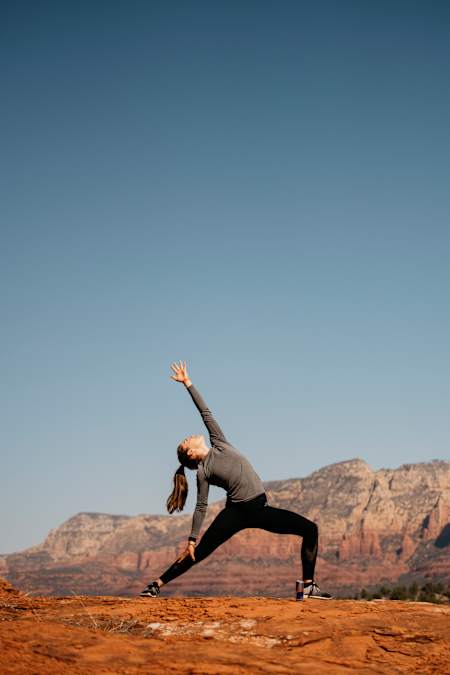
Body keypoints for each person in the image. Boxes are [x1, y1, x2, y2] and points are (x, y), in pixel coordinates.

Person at [140, 361, 332, 600]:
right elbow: (201, 506)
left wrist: (187, 383)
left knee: (310, 529)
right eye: (186, 441)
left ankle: (308, 587)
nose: (189, 436)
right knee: (198, 553)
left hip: (259, 509)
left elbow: (205, 412)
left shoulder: (219, 442)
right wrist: (191, 539)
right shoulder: (203, 472)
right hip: (236, 513)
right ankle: (156, 584)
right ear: (190, 453)